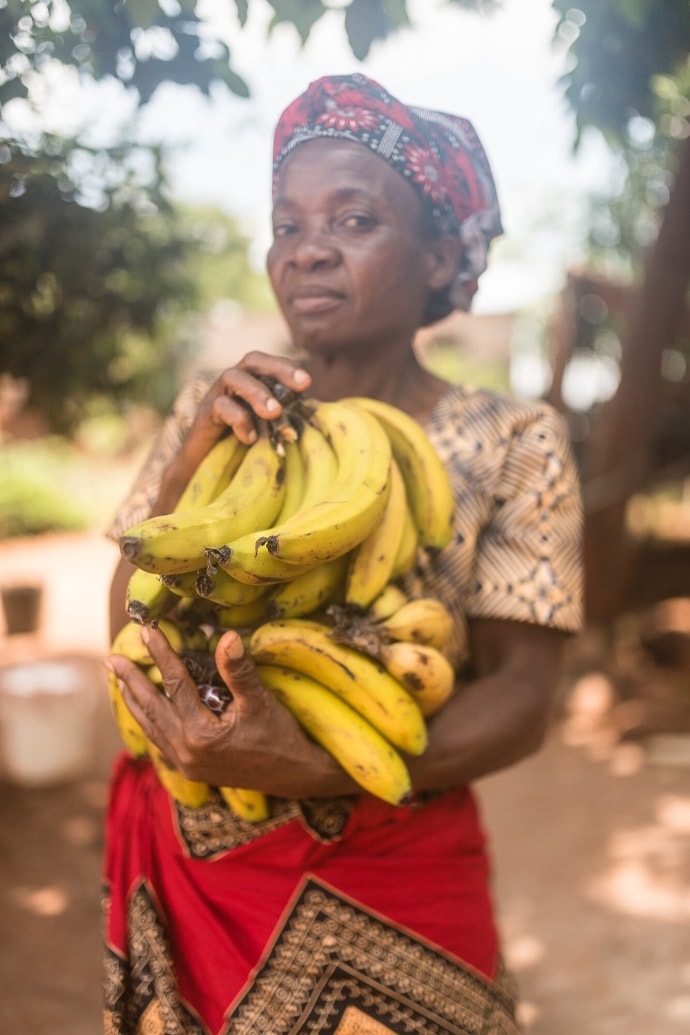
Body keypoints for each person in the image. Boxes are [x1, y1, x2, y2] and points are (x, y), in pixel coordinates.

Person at [104, 73, 584, 1034]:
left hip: (396, 849)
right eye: (287, 224)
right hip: (194, 847)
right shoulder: (219, 407)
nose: (308, 248)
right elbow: (126, 618)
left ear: (440, 256)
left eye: (354, 219)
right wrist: (187, 466)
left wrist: (320, 764)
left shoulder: (511, 438)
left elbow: (526, 698)